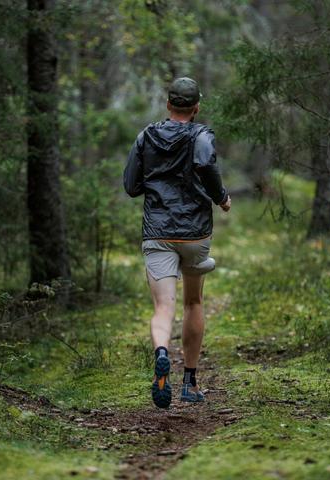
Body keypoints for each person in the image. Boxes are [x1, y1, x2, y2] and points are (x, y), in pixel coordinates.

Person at [123, 77, 231, 409]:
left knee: (163, 308)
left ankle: (161, 354)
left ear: (169, 105)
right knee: (193, 303)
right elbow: (206, 164)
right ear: (196, 107)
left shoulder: (146, 136)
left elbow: (131, 186)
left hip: (157, 232)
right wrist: (221, 198)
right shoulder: (202, 135)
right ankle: (190, 383)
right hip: (195, 233)